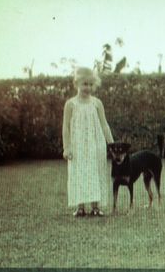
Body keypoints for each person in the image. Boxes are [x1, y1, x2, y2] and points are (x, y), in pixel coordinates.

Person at [62, 67, 114, 217]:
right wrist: (67, 147)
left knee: (96, 172)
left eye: (91, 84)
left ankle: (96, 206)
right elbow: (65, 127)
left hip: (95, 144)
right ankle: (80, 207)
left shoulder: (97, 103)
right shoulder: (71, 104)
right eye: (85, 84)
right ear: (76, 83)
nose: (88, 87)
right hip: (78, 145)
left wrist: (111, 145)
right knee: (79, 172)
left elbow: (104, 125)